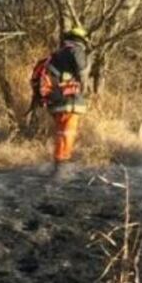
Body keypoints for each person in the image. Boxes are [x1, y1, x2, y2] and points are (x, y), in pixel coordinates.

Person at [30, 27, 89, 173]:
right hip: (68, 100)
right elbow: (82, 71)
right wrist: (84, 86)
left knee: (61, 134)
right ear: (81, 39)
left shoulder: (58, 54)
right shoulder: (75, 50)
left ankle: (58, 164)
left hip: (56, 100)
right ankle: (61, 169)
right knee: (67, 134)